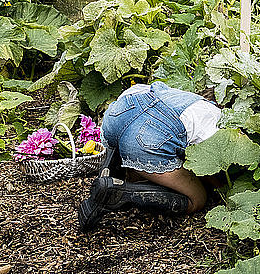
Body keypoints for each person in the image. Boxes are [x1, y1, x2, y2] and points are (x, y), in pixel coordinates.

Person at [78, 81, 222, 231]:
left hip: (119, 113)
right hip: (146, 139)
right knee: (198, 199)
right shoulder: (215, 118)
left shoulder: (182, 96)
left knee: (131, 144)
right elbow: (207, 164)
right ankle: (121, 193)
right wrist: (220, 188)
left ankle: (109, 172)